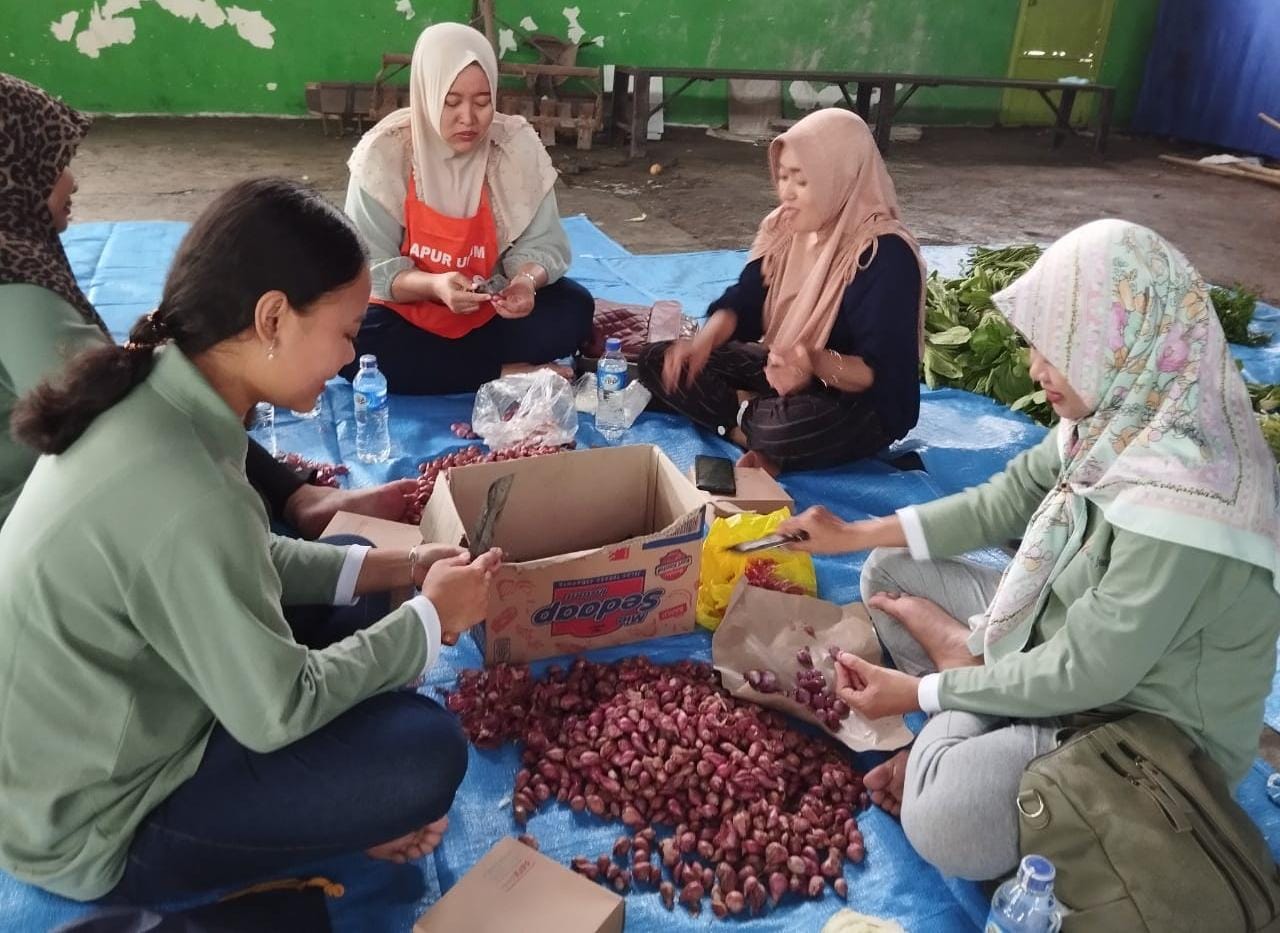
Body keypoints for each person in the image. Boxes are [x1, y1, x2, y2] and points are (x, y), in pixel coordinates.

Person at [0, 177, 501, 904]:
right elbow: (279, 709)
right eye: (347, 333)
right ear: (273, 318)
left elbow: (241, 559)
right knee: (423, 752)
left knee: (369, 580)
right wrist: (431, 620)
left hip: (138, 706)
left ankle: (314, 801)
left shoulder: (163, 394)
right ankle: (304, 828)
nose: (349, 359)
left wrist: (406, 566)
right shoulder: (184, 487)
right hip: (95, 823)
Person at [779, 219, 1280, 881]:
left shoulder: (1185, 499)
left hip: (1138, 734)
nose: (1037, 370)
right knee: (889, 571)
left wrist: (926, 692)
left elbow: (1087, 673)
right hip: (1073, 649)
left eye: (1059, 351)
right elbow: (1005, 500)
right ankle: (975, 684)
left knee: (946, 817)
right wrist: (852, 534)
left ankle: (966, 682)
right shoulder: (1116, 416)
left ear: (1122, 343)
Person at [0, 72, 416, 538]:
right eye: (53, 164)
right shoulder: (17, 291)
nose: (72, 182)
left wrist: (291, 492)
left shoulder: (175, 413)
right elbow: (118, 423)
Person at [637, 108, 925, 474]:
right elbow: (747, 299)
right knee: (658, 360)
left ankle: (750, 421)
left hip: (855, 397)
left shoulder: (882, 254)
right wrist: (702, 343)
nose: (786, 192)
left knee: (783, 430)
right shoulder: (787, 228)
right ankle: (746, 424)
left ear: (841, 178)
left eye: (801, 181)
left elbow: (877, 373)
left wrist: (811, 361)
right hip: (783, 369)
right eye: (783, 176)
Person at [343, 22, 594, 395]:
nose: (469, 118)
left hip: (488, 309)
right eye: (451, 102)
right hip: (405, 311)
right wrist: (434, 286)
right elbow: (369, 268)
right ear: (427, 93)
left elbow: (544, 243)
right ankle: (503, 371)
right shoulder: (383, 154)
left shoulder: (514, 147)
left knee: (573, 308)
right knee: (355, 343)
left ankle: (453, 368)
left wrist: (524, 283)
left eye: (482, 102)